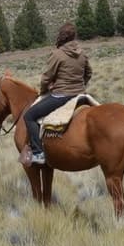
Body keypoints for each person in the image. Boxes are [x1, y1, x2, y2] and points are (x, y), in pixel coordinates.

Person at [23, 23, 90, 165]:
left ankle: (39, 153)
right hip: (80, 94)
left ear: (61, 36)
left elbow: (46, 78)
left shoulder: (57, 54)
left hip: (61, 95)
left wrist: (43, 91)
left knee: (29, 115)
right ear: (73, 36)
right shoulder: (82, 53)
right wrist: (81, 84)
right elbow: (88, 73)